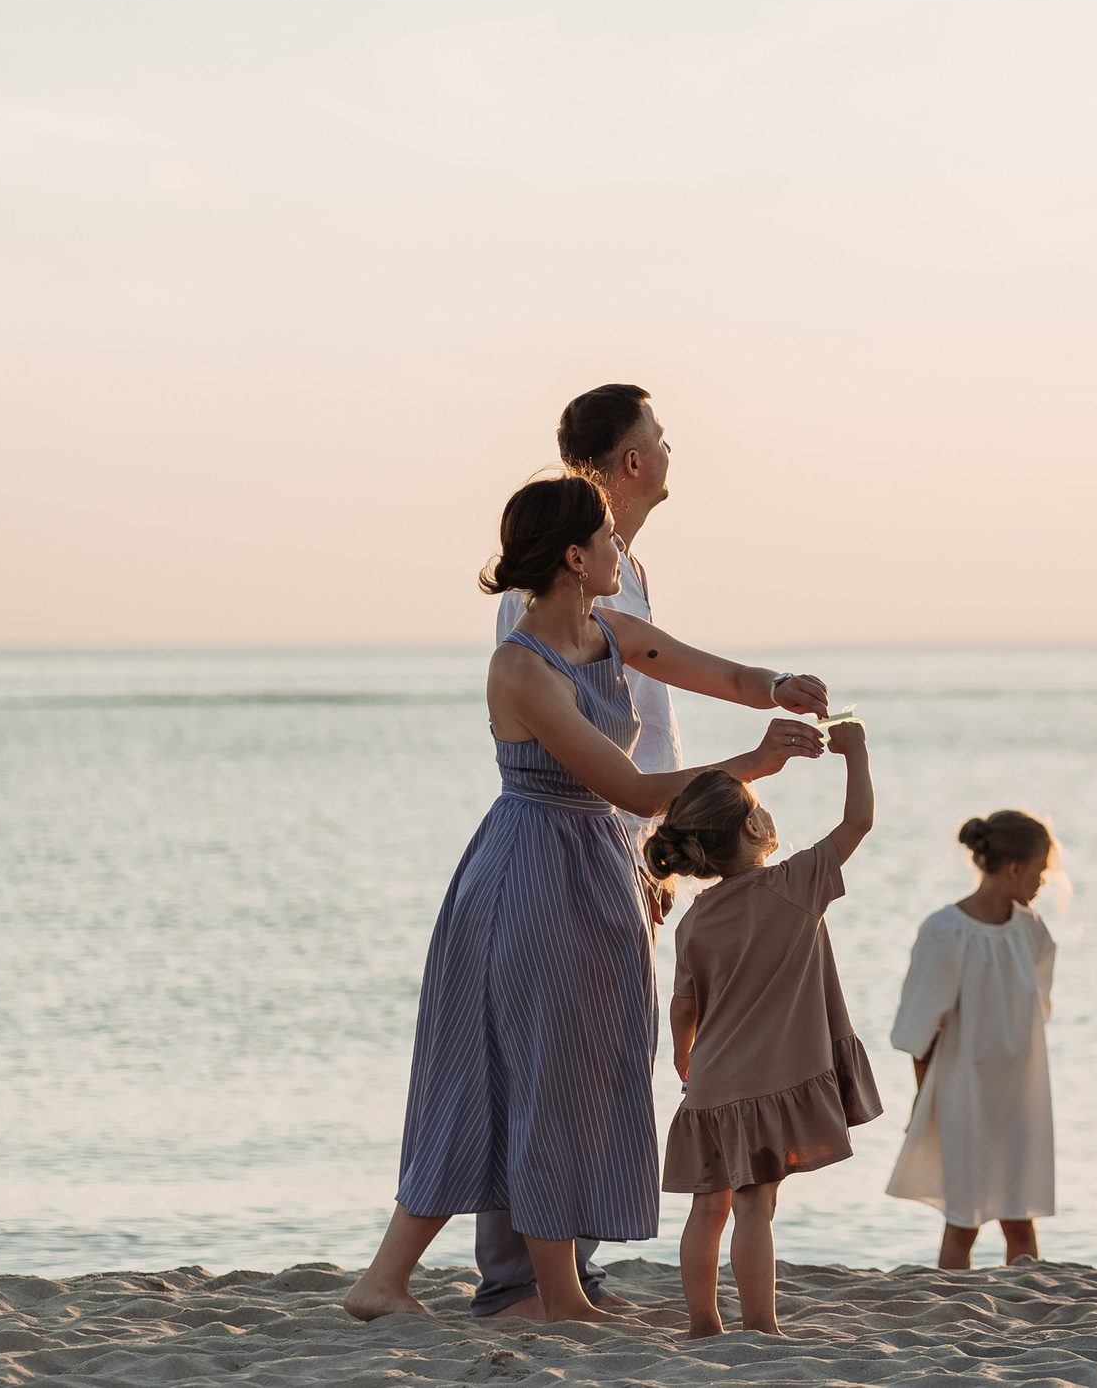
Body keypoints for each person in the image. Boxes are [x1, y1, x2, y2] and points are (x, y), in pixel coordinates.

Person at [345, 475, 831, 1324]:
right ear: (576, 557)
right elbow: (635, 788)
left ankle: (469, 1286)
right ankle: (516, 1291)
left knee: (568, 1073)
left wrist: (779, 683)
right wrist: (752, 766)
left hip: (593, 867)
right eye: (608, 537)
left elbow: (707, 666)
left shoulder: (609, 631)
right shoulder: (521, 665)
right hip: (530, 872)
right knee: (529, 1074)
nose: (620, 549)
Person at [474, 382, 698, 1319]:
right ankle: (524, 1277)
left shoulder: (622, 576)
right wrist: (659, 831)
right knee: (546, 1058)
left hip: (620, 842)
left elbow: (680, 681)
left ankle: (566, 1265)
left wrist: (657, 851)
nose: (672, 446)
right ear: (630, 460)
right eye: (659, 435)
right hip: (577, 839)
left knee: (605, 1056)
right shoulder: (550, 602)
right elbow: (602, 754)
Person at [649, 740, 882, 1337]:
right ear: (755, 823)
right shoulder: (796, 884)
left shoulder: (694, 920)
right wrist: (855, 755)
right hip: (767, 1085)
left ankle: (703, 1324)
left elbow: (683, 1007)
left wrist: (684, 1060)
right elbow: (858, 821)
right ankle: (761, 1326)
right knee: (756, 1206)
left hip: (711, 1085)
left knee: (708, 1208)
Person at [885, 810, 1061, 1269]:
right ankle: (949, 1314)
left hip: (1021, 1093)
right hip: (964, 1093)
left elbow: (1034, 1012)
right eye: (1041, 869)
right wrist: (926, 1101)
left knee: (1021, 1217)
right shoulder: (945, 931)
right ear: (1014, 868)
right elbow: (919, 1032)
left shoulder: (1033, 931)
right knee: (963, 1220)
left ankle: (1025, 1316)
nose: (1044, 881)